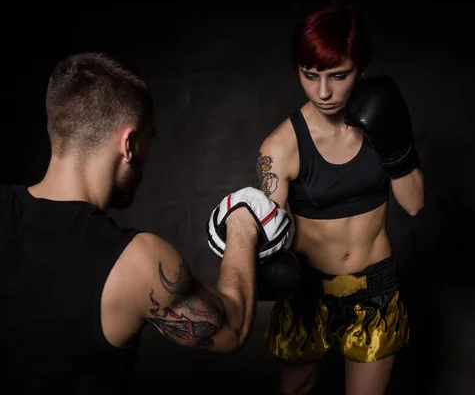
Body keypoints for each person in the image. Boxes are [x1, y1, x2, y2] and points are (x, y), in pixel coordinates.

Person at [0, 52, 290, 394]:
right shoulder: (139, 262)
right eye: (148, 139)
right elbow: (234, 326)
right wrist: (242, 221)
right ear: (129, 144)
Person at [256, 0, 425, 395]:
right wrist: (262, 263)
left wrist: (395, 144)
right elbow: (267, 237)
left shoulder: (381, 117)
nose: (324, 92)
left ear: (360, 68)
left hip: (375, 286)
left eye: (338, 75)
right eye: (310, 75)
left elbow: (415, 204)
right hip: (308, 289)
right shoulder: (280, 148)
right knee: (296, 388)